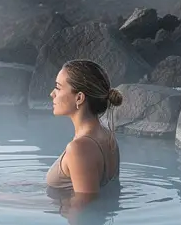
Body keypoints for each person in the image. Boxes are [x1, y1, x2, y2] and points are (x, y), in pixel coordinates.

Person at [45, 59, 123, 194]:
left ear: (79, 98)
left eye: (58, 87)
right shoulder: (106, 136)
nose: (52, 94)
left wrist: (13, 202)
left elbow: (84, 209)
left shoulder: (79, 149)